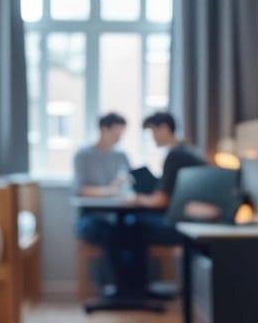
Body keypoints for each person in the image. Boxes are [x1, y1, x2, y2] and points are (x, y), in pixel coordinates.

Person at [121, 112, 206, 294]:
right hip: (192, 218)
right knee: (132, 221)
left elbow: (161, 200)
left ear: (165, 128)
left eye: (152, 132)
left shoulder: (175, 156)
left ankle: (135, 289)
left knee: (132, 225)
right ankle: (136, 288)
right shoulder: (187, 151)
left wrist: (138, 199)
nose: (151, 139)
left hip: (182, 224)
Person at [74, 112, 130, 291]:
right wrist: (109, 191)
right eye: (116, 133)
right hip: (90, 217)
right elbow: (81, 190)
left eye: (122, 133)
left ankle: (136, 289)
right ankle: (114, 286)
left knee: (137, 229)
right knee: (109, 232)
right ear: (103, 129)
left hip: (118, 215)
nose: (119, 137)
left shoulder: (122, 156)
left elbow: (127, 186)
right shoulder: (83, 155)